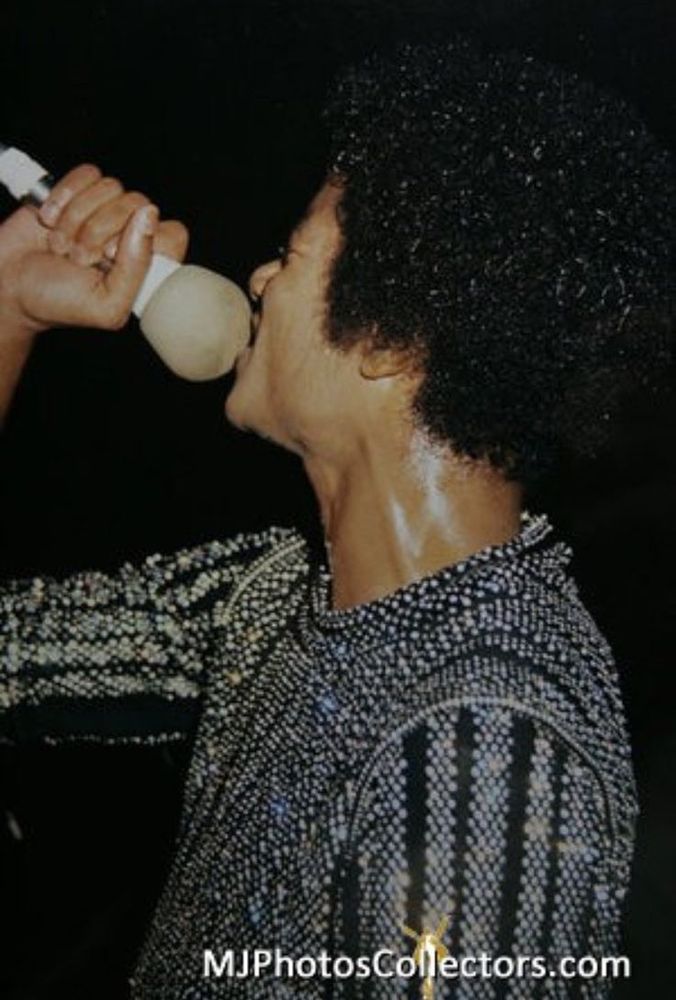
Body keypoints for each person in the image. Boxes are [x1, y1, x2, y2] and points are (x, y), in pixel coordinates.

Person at [1, 36, 674, 998]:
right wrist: (9, 305)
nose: (262, 281)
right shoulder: (269, 598)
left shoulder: (485, 744)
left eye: (292, 252)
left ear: (394, 340)